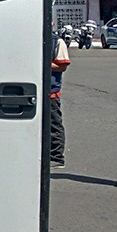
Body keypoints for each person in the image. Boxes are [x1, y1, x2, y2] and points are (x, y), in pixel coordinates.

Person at [50, 27, 71, 169]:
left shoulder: (57, 42)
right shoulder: (30, 40)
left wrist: (40, 63)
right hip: (34, 88)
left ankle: (56, 157)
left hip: (51, 91)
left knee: (53, 124)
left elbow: (62, 66)